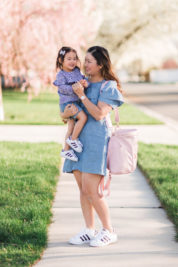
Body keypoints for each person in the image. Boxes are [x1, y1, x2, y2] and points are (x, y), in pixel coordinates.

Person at [61, 46, 124, 247]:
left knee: (92, 190)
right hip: (79, 141)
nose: (84, 64)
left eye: (89, 61)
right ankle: (89, 229)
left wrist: (81, 96)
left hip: (97, 141)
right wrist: (66, 113)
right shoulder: (82, 84)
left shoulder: (109, 87)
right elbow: (69, 114)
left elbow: (98, 114)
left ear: (100, 64)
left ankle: (108, 230)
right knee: (82, 190)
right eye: (84, 60)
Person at [53, 46, 88, 162]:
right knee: (83, 117)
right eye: (69, 59)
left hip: (75, 102)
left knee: (71, 126)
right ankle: (73, 139)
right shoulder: (61, 75)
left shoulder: (77, 71)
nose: (72, 61)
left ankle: (66, 150)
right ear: (60, 60)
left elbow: (82, 80)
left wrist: (84, 82)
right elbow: (61, 88)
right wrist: (74, 88)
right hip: (67, 103)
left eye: (74, 58)